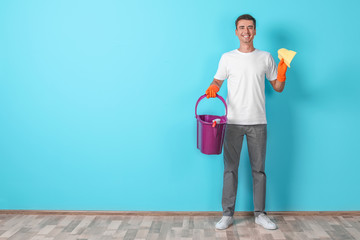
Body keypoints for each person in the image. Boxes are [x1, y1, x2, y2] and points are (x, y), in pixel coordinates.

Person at [206, 14, 288, 230]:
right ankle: (227, 215)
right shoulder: (227, 58)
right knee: (230, 169)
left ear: (255, 30)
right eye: (242, 27)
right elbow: (217, 79)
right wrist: (214, 86)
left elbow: (278, 88)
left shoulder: (266, 57)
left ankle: (260, 214)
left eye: (250, 27)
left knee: (259, 170)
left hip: (258, 122)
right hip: (232, 122)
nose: (246, 31)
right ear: (236, 31)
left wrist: (282, 73)